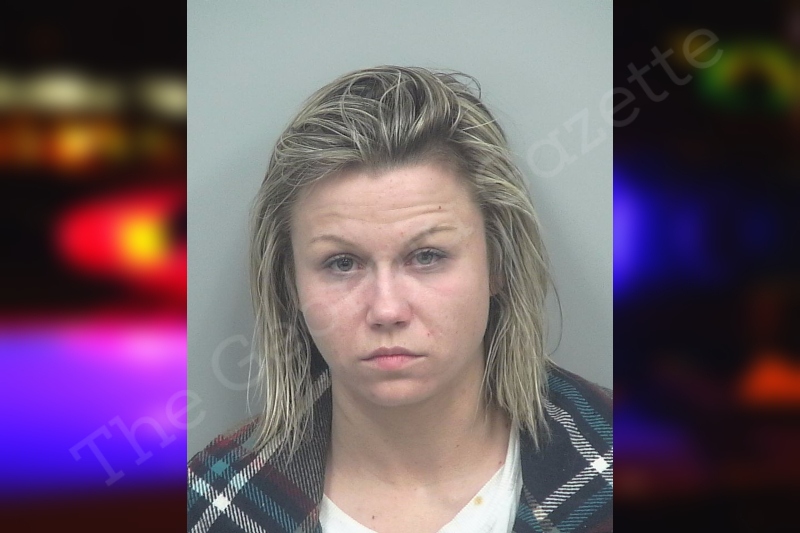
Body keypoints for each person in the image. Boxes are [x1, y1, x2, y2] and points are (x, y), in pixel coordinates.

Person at [187, 66, 612, 533]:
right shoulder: (212, 505)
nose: (387, 310)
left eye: (427, 256)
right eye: (341, 263)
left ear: (498, 265)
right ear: (292, 286)